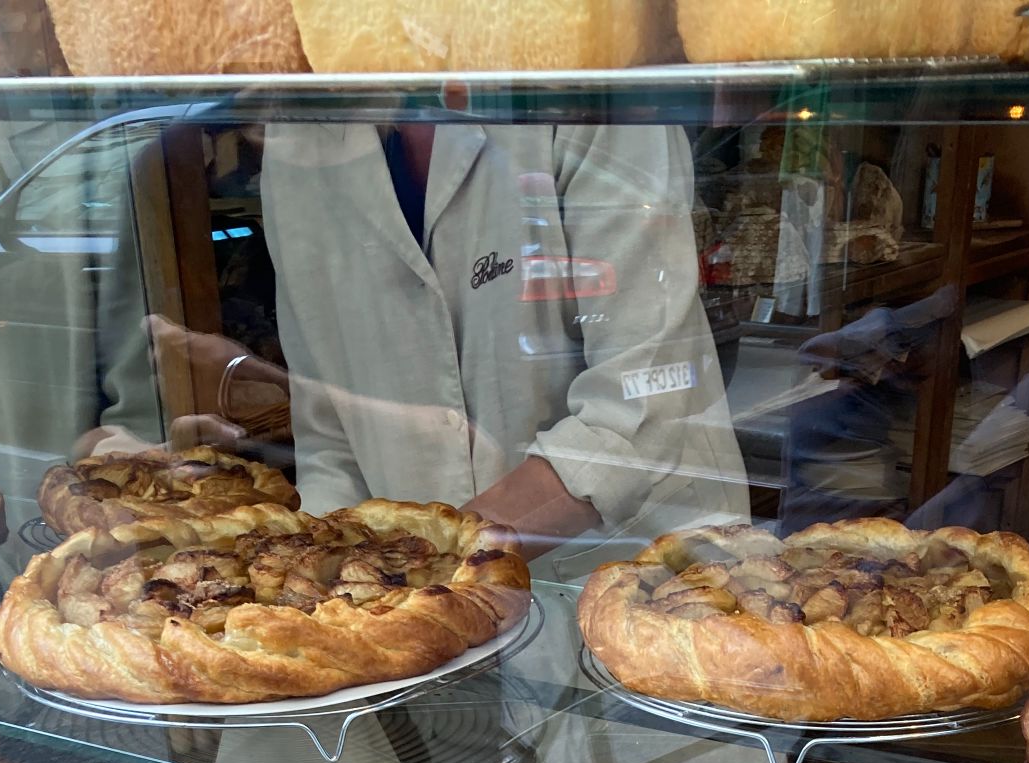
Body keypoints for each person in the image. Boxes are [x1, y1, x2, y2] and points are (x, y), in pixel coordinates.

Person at [142, 120, 749, 568]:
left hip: (638, 568)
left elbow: (637, 410)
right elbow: (331, 432)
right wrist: (330, 588)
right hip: (419, 607)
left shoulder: (578, 82)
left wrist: (415, 569)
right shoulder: (303, 139)